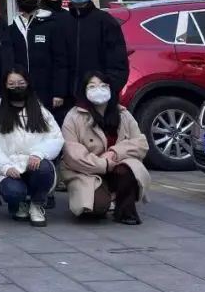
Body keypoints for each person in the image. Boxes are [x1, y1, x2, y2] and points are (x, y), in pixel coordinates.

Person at [61, 72, 149, 225]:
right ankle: (103, 197)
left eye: (103, 86)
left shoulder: (123, 114)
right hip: (86, 171)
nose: (98, 90)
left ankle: (125, 211)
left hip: (117, 166)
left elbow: (141, 143)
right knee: (96, 208)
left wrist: (115, 153)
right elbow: (72, 153)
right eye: (92, 86)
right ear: (84, 90)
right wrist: (104, 164)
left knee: (129, 170)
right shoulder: (74, 116)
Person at [0, 69, 64, 227]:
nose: (17, 87)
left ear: (28, 84)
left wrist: (39, 154)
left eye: (21, 83)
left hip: (34, 164)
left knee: (44, 169)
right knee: (14, 191)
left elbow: (56, 138)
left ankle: (37, 204)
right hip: (8, 169)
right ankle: (19, 203)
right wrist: (5, 167)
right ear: (5, 86)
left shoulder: (41, 112)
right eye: (11, 84)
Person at [10, 0, 69, 119]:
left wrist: (59, 92)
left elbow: (61, 60)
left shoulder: (52, 25)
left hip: (46, 90)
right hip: (20, 90)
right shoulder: (12, 28)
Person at [64, 0, 130, 95]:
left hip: (98, 93)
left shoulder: (105, 20)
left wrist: (110, 88)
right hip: (67, 95)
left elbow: (118, 59)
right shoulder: (63, 21)